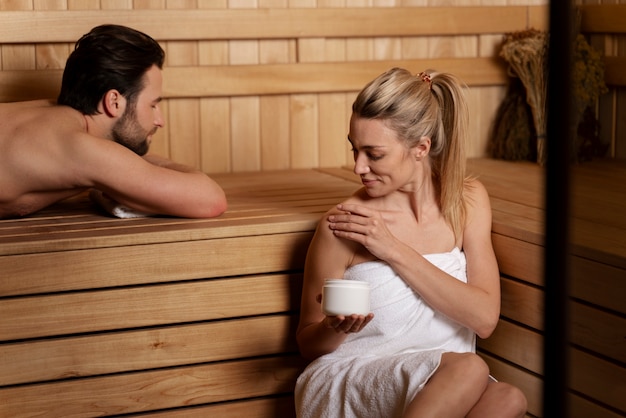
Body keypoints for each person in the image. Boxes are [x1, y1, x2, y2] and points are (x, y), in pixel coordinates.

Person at [295, 68, 528, 417]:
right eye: (354, 149)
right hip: (353, 377)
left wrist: (392, 249)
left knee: (508, 400)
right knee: (471, 367)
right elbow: (307, 345)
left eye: (373, 154)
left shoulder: (467, 202)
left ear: (421, 148)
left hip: (442, 386)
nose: (358, 166)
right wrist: (333, 327)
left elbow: (484, 319)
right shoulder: (344, 224)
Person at [0, 24, 227, 219]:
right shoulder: (80, 147)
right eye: (152, 105)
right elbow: (211, 199)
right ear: (114, 102)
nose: (160, 121)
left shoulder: (48, 118)